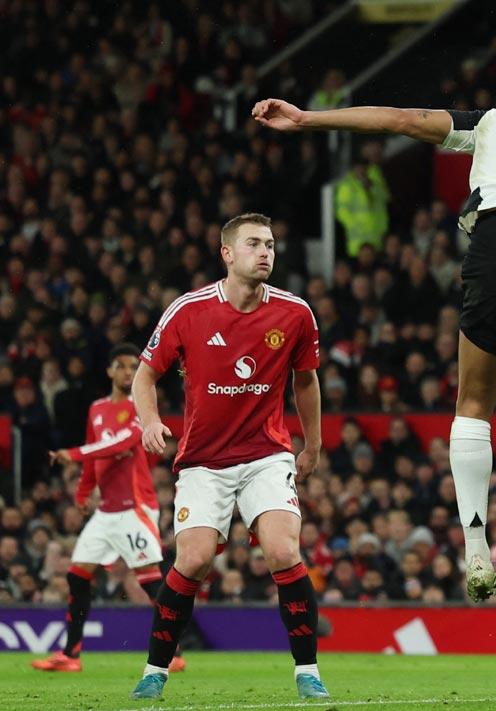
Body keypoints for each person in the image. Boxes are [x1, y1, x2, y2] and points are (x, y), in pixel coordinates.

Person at [253, 63, 496, 601]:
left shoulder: (492, 121)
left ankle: (476, 552)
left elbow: (400, 119)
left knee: (474, 401)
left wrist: (308, 119)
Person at [128, 214, 327, 701]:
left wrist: (313, 443)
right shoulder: (188, 311)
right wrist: (151, 422)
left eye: (271, 244)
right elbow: (143, 377)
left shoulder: (295, 313)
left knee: (283, 551)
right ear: (227, 253)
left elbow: (306, 380)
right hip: (203, 460)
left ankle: (308, 673)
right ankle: (156, 669)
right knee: (192, 560)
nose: (266, 252)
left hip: (266, 453)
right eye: (254, 244)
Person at [31, 344, 184, 674]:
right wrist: (84, 491)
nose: (129, 373)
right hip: (107, 511)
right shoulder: (97, 409)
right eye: (123, 367)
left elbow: (120, 444)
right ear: (110, 371)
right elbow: (98, 453)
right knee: (76, 575)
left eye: (134, 367)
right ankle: (71, 655)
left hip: (135, 506)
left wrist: (75, 452)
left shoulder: (140, 406)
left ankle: (174, 651)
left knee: (149, 582)